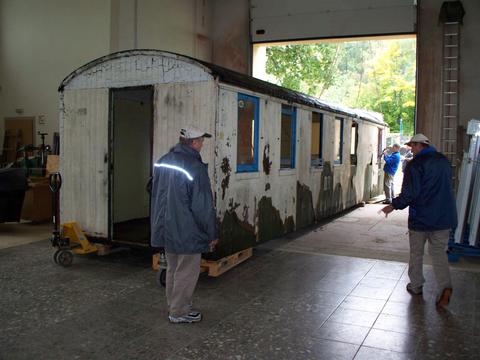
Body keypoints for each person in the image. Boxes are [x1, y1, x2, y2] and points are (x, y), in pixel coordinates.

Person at [150, 125, 218, 323]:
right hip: (187, 229)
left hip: (166, 227)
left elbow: (155, 193)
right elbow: (203, 206)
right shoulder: (195, 167)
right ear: (194, 142)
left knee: (172, 268)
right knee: (187, 271)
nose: (203, 144)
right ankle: (179, 312)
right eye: (201, 141)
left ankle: (174, 305)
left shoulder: (163, 161)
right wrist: (211, 233)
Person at [381, 133, 457, 306]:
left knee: (416, 253)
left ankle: (416, 285)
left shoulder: (415, 165)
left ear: (418, 145)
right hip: (444, 217)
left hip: (421, 218)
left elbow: (410, 194)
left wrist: (394, 205)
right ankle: (445, 286)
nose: (411, 149)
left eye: (412, 146)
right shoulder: (443, 161)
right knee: (439, 254)